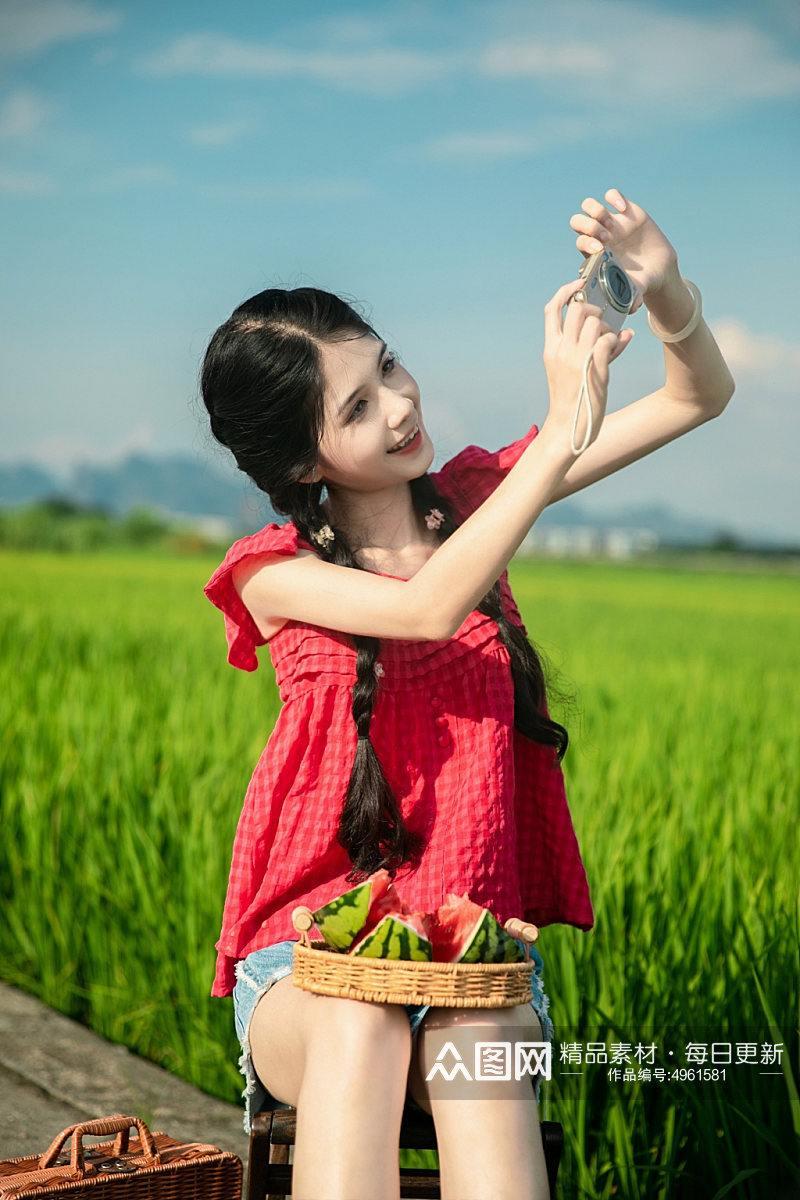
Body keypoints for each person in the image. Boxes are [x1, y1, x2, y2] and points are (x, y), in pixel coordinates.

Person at [201, 189, 734, 1200]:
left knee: (478, 1043)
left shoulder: (478, 496)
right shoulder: (269, 573)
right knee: (359, 1026)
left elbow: (693, 397)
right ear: (297, 460)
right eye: (356, 407)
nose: (400, 406)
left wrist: (662, 292)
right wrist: (561, 433)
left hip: (474, 962)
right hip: (306, 967)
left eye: (387, 368)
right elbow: (429, 608)